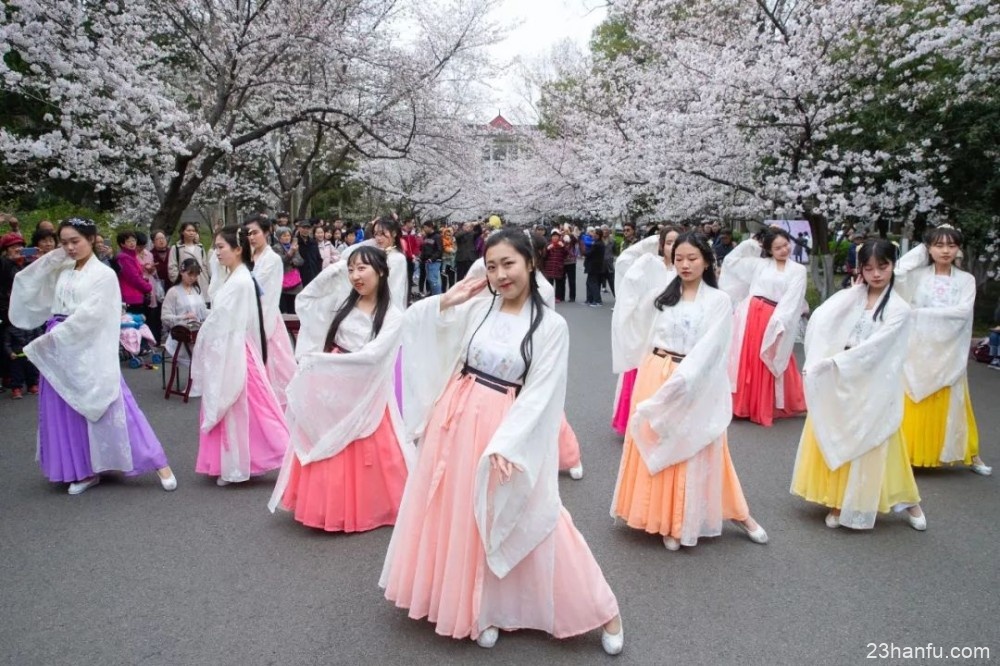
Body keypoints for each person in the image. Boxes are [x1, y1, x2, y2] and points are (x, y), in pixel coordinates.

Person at [381, 229, 623, 654]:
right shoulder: (478, 309)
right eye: (491, 266)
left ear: (530, 262)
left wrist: (509, 443)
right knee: (460, 513)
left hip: (502, 426)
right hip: (453, 420)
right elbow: (416, 325)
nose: (500, 274)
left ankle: (600, 607)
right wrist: (447, 301)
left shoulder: (551, 326)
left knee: (532, 511)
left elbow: (542, 392)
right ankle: (479, 606)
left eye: (508, 263)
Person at [612, 231, 768, 551]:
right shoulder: (662, 293)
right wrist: (648, 247)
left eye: (692, 258)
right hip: (655, 372)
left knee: (699, 443)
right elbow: (627, 277)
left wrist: (684, 381)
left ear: (707, 261)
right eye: (679, 258)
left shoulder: (719, 300)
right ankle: (661, 517)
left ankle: (708, 515)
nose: (684, 264)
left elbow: (712, 348)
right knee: (655, 440)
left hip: (694, 378)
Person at [9, 218, 177, 494]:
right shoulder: (64, 267)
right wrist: (53, 257)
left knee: (114, 403)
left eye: (75, 241)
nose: (70, 248)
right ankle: (83, 469)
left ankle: (158, 462)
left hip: (85, 344)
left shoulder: (104, 274)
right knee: (67, 408)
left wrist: (57, 336)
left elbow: (94, 314)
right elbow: (29, 281)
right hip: (61, 343)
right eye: (65, 243)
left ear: (91, 239)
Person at [269, 246, 411, 531]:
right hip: (332, 382)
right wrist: (338, 266)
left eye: (362, 269)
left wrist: (321, 360)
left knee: (359, 445)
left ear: (381, 272)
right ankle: (323, 505)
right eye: (351, 269)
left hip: (363, 386)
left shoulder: (393, 316)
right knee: (323, 438)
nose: (355, 276)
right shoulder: (343, 301)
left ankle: (365, 508)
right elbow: (307, 298)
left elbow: (373, 355)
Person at [791, 239, 926, 531]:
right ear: (860, 269)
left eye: (883, 266)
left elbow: (878, 348)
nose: (876, 274)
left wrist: (838, 362)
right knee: (838, 433)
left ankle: (909, 501)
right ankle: (839, 500)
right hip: (843, 377)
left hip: (873, 381)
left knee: (878, 439)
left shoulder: (899, 309)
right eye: (869, 268)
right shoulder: (852, 296)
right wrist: (823, 360)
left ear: (893, 266)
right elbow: (822, 320)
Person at [191, 225, 289, 486]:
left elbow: (223, 319)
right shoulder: (235, 276)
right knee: (246, 409)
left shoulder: (242, 280)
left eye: (222, 247)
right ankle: (234, 461)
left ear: (237, 249)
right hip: (230, 347)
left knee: (247, 408)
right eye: (216, 247)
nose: (217, 252)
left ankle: (247, 461)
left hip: (235, 350)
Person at [893, 225, 990, 475]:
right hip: (917, 351)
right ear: (928, 248)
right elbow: (900, 280)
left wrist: (919, 314)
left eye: (951, 245)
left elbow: (961, 313)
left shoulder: (966, 280)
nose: (945, 250)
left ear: (958, 248)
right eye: (938, 245)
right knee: (911, 400)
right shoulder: (916, 276)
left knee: (955, 404)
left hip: (948, 351)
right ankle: (904, 455)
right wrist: (918, 253)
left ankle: (970, 454)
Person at [719, 229, 808, 427]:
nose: (784, 250)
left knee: (771, 355)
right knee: (747, 360)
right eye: (777, 248)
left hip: (774, 316)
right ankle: (744, 405)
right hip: (751, 313)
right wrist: (750, 243)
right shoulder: (760, 265)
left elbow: (793, 298)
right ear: (768, 250)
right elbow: (731, 262)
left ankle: (770, 404)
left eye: (786, 245)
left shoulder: (797, 270)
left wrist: (780, 321)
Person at [611, 226, 679, 436]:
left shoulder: (685, 270)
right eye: (668, 243)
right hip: (648, 332)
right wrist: (649, 242)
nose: (673, 247)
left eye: (677, 242)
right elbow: (623, 263)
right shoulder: (650, 265)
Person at [243, 216, 297, 410]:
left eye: (255, 232)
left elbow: (262, 290)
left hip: (266, 317)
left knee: (274, 370)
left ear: (266, 233)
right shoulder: (245, 256)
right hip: (247, 319)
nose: (251, 237)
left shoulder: (272, 259)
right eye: (248, 233)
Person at [160, 258, 208, 363]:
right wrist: (183, 317)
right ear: (181, 272)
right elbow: (165, 317)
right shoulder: (173, 292)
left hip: (198, 333)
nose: (192, 278)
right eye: (189, 274)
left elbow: (203, 311)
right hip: (181, 336)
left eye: (195, 275)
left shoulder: (196, 290)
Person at [115, 230, 153, 319]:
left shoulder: (132, 256)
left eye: (133, 240)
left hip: (136, 295)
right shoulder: (124, 258)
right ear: (122, 244)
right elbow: (134, 278)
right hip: (131, 297)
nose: (132, 243)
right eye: (128, 241)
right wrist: (148, 287)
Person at [167, 222, 211, 298]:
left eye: (193, 231)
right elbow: (172, 268)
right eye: (188, 230)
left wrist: (206, 282)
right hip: (184, 284)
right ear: (182, 232)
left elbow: (205, 267)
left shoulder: (200, 248)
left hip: (201, 284)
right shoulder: (176, 248)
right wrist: (179, 281)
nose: (191, 233)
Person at [275, 225, 304, 314]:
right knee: (284, 307)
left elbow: (300, 260)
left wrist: (292, 262)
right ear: (279, 237)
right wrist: (290, 252)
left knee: (294, 306)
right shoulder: (276, 248)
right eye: (284, 236)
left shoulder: (293, 246)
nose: (287, 238)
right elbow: (280, 261)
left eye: (288, 235)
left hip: (294, 280)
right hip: (283, 280)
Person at [294, 219, 322, 287]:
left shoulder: (313, 242)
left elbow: (318, 258)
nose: (306, 230)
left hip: (313, 273)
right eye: (303, 228)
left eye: (308, 228)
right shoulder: (295, 242)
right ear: (299, 228)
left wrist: (318, 271)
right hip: (300, 275)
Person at [419, 221, 443, 296]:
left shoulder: (437, 237)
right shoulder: (426, 237)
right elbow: (424, 249)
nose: (424, 229)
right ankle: (433, 295)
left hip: (434, 262)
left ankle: (437, 297)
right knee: (430, 280)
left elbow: (439, 250)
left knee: (434, 280)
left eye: (425, 227)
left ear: (430, 227)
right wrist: (421, 258)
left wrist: (432, 259)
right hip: (427, 262)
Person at [543, 230, 568, 302]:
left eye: (556, 236)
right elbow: (544, 256)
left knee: (559, 284)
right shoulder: (548, 245)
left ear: (559, 237)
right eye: (553, 236)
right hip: (549, 266)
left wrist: (563, 247)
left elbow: (566, 254)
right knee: (549, 284)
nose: (555, 238)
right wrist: (547, 249)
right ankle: (549, 297)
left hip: (558, 266)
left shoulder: (561, 245)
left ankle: (558, 297)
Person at [584, 229, 605, 306]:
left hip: (594, 266)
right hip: (595, 266)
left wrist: (584, 251)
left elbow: (589, 253)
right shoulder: (599, 243)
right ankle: (589, 299)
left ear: (598, 235)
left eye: (594, 234)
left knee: (593, 283)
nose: (592, 235)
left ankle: (597, 300)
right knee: (589, 283)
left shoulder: (597, 244)